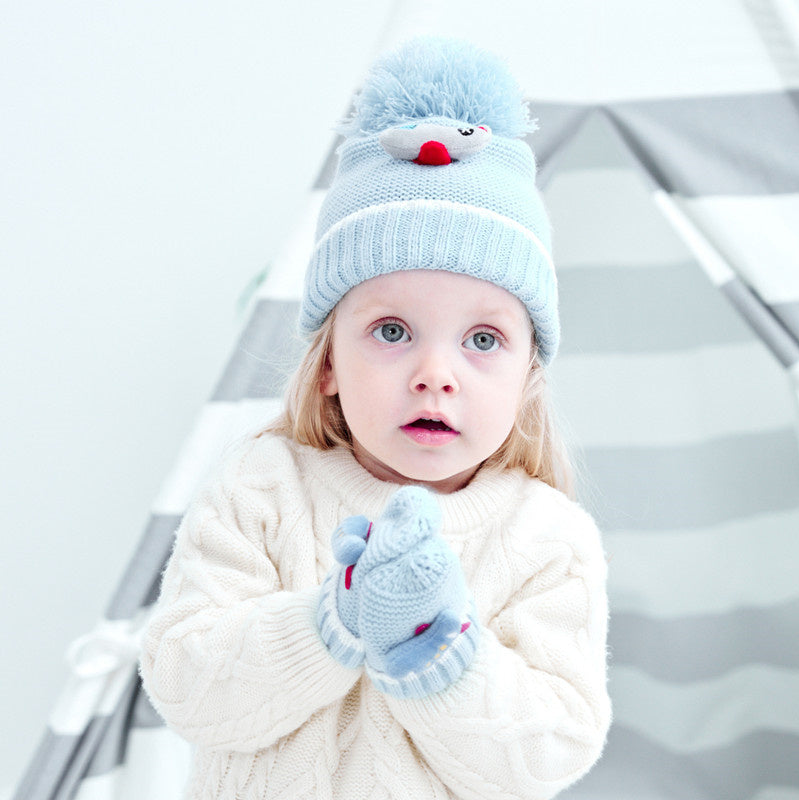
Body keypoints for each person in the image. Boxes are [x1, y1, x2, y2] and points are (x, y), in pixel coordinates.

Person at [140, 35, 611, 800]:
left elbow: (551, 751)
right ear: (327, 364)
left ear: (529, 379)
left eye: (483, 339)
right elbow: (184, 685)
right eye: (392, 332)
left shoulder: (548, 538)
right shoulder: (261, 489)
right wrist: (339, 618)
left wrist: (441, 657)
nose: (435, 374)